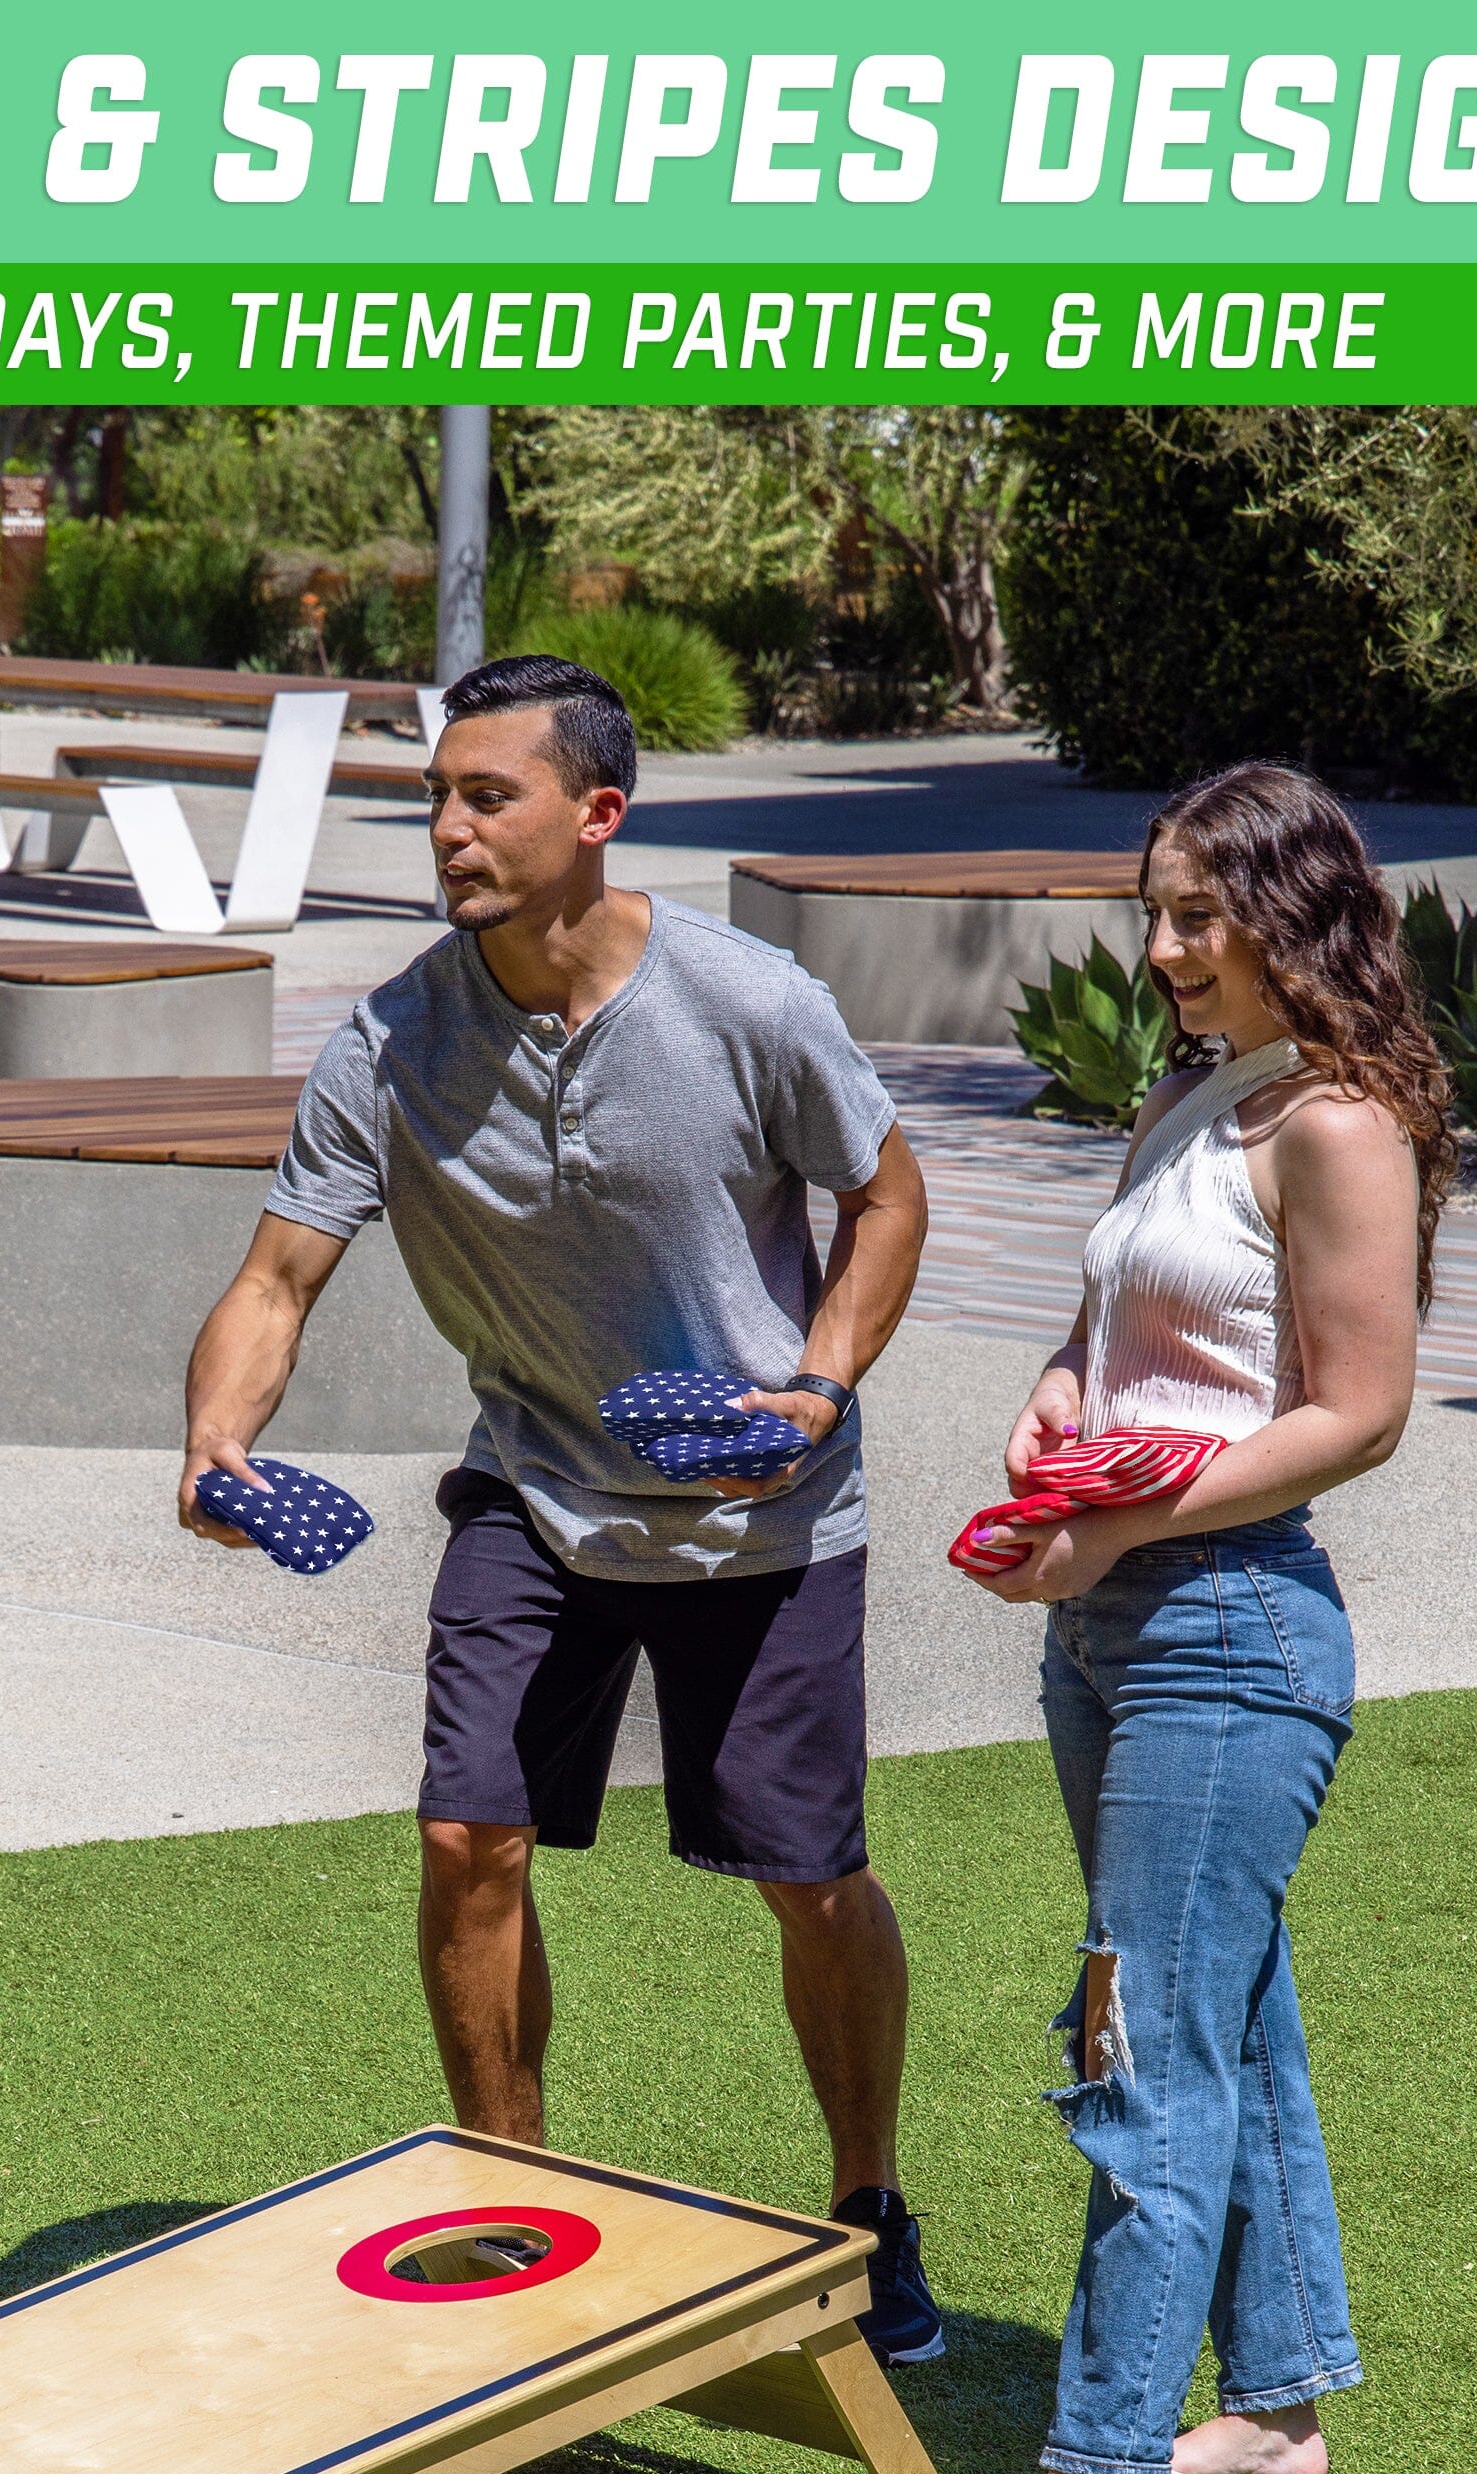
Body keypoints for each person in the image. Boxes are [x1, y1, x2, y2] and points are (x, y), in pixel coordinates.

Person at [175, 653, 944, 2362]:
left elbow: (886, 1196)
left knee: (810, 1881)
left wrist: (816, 1383)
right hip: (531, 1484)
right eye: (435, 798)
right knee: (469, 1840)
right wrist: (220, 1435)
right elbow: (279, 1274)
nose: (446, 830)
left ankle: (871, 2205)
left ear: (599, 815)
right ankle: (510, 2205)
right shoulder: (392, 1039)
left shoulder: (750, 1004)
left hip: (766, 1511)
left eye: (485, 796)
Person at [924, 761, 1455, 2474]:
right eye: (1155, 913)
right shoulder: (1186, 1091)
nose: (1162, 950)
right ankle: (1282, 2407)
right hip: (1115, 1617)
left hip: (1227, 1628)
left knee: (1137, 2038)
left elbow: (1355, 1415)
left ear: (1292, 919)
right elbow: (1127, 1329)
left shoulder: (1340, 1125)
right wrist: (1060, 1398)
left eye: (1200, 918)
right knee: (1228, 2023)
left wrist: (1115, 1537)